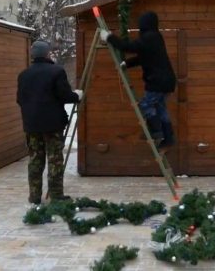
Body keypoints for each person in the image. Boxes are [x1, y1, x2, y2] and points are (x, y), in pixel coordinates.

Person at [17, 40, 82, 204]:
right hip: (52, 125)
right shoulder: (57, 71)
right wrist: (77, 96)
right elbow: (65, 95)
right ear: (47, 54)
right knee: (55, 159)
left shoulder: (24, 75)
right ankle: (56, 195)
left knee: (35, 159)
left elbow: (19, 99)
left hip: (32, 124)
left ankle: (34, 196)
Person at [100, 11, 176, 149]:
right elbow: (144, 57)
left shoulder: (149, 37)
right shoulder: (155, 37)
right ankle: (168, 138)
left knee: (146, 105)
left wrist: (109, 37)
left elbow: (128, 47)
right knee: (160, 108)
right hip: (167, 81)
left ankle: (157, 132)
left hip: (157, 82)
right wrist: (127, 64)